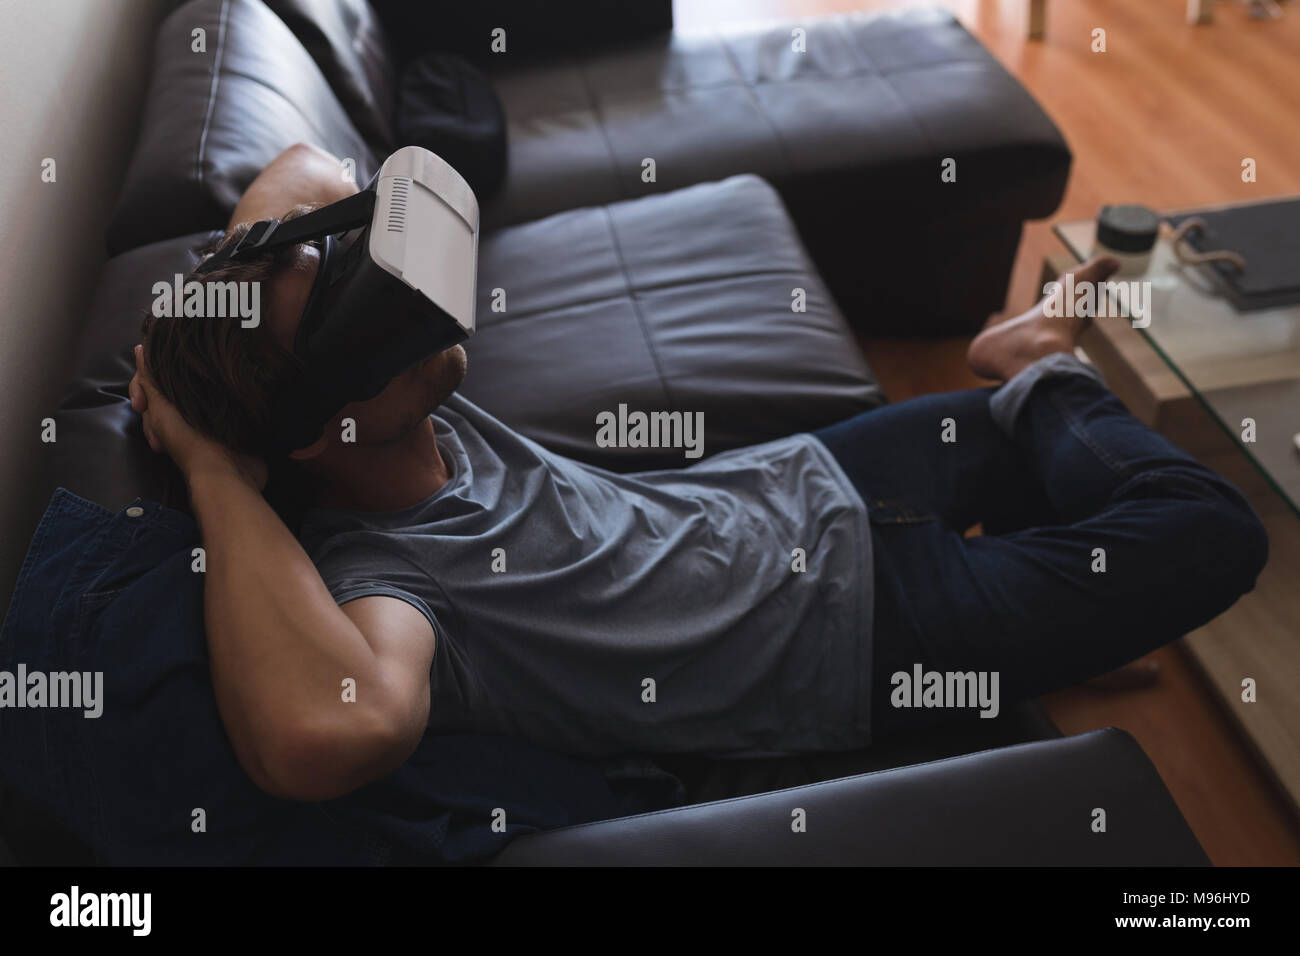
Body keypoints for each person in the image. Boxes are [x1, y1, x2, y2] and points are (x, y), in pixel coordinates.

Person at [130, 144, 1268, 802]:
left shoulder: (402, 405)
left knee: (1040, 469)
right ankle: (1031, 369)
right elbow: (328, 734)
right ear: (313, 432)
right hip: (876, 630)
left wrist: (256, 265)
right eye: (341, 318)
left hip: (800, 483)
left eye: (342, 269)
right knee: (1210, 523)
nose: (392, 300)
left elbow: (304, 167)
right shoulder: (386, 580)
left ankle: (1044, 489)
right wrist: (210, 467)